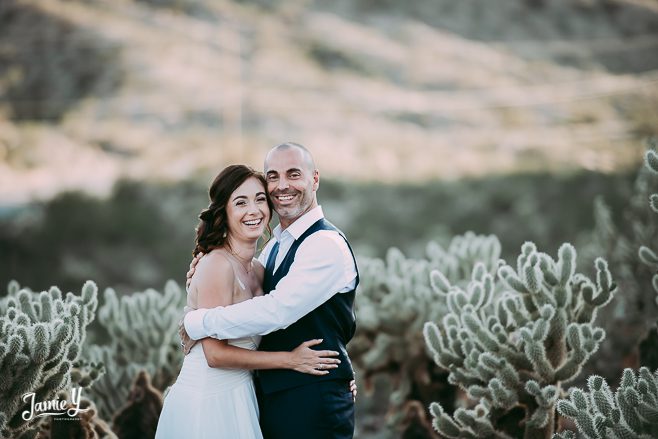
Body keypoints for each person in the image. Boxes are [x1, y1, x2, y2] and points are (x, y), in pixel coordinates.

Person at [182, 142, 359, 438]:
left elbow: (277, 311)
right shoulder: (274, 247)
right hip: (268, 399)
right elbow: (237, 287)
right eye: (273, 177)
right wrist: (199, 278)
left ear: (314, 179)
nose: (282, 185)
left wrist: (197, 321)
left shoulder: (324, 244)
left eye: (293, 174)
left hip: (312, 401)